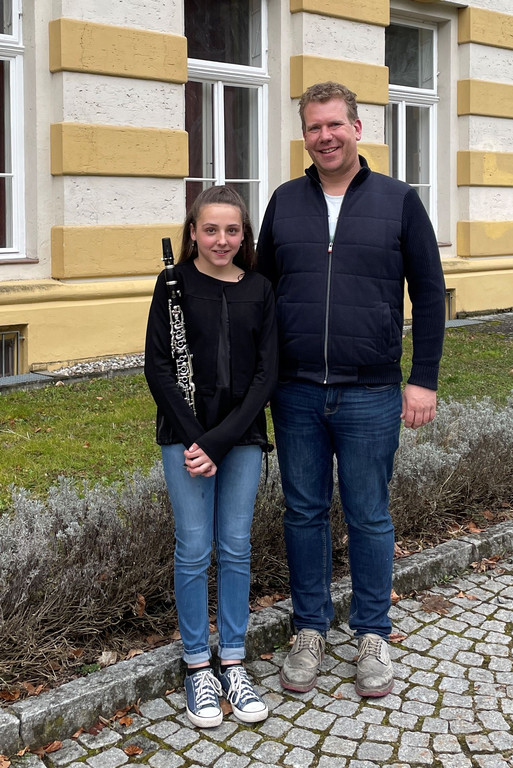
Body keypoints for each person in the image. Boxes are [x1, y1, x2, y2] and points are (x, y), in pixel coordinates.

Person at [257, 82, 445, 697]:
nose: (325, 136)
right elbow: (261, 293)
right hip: (297, 392)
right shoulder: (284, 202)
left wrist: (423, 379)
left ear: (357, 129)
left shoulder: (398, 201)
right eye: (314, 127)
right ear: (304, 136)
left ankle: (372, 633)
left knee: (368, 515)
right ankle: (310, 629)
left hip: (370, 391)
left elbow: (429, 294)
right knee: (304, 513)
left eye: (335, 124)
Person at [145, 185, 277, 727]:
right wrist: (196, 437)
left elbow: (267, 374)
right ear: (193, 233)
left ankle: (234, 660)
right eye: (210, 229)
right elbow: (158, 367)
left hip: (239, 438)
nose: (221, 239)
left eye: (232, 230)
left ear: (244, 236)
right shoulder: (172, 284)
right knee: (195, 549)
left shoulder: (260, 288)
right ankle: (198, 664)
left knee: (236, 547)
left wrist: (218, 441)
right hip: (185, 435)